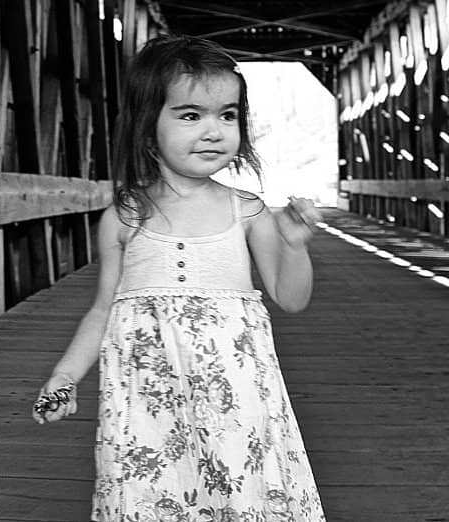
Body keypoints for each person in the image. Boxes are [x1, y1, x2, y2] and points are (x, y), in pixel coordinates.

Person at [32, 35, 326, 520]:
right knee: (150, 496)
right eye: (191, 115)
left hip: (236, 405)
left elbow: (290, 298)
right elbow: (103, 310)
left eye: (227, 115)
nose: (213, 131)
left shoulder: (247, 211)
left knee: (240, 492)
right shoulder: (124, 217)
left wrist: (294, 247)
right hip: (147, 404)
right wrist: (64, 376)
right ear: (147, 128)